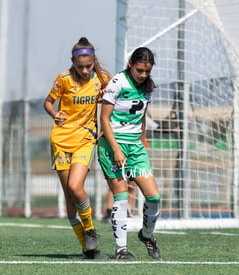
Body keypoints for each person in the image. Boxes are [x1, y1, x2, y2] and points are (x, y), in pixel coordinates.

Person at [43, 37, 110, 260]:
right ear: (73, 62)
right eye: (79, 66)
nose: (83, 70)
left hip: (85, 139)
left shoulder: (103, 78)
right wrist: (54, 113)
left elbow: (114, 100)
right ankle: (88, 249)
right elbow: (48, 102)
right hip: (61, 140)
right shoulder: (63, 79)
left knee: (75, 185)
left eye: (87, 66)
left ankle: (90, 229)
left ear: (94, 62)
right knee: (69, 197)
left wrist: (107, 120)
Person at [97, 47, 161, 260]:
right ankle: (121, 249)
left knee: (154, 196)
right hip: (112, 146)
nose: (143, 75)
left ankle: (146, 235)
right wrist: (116, 149)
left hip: (135, 148)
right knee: (121, 196)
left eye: (147, 71)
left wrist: (143, 140)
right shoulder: (118, 82)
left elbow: (141, 116)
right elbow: (104, 119)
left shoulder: (148, 87)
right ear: (131, 64)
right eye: (139, 70)